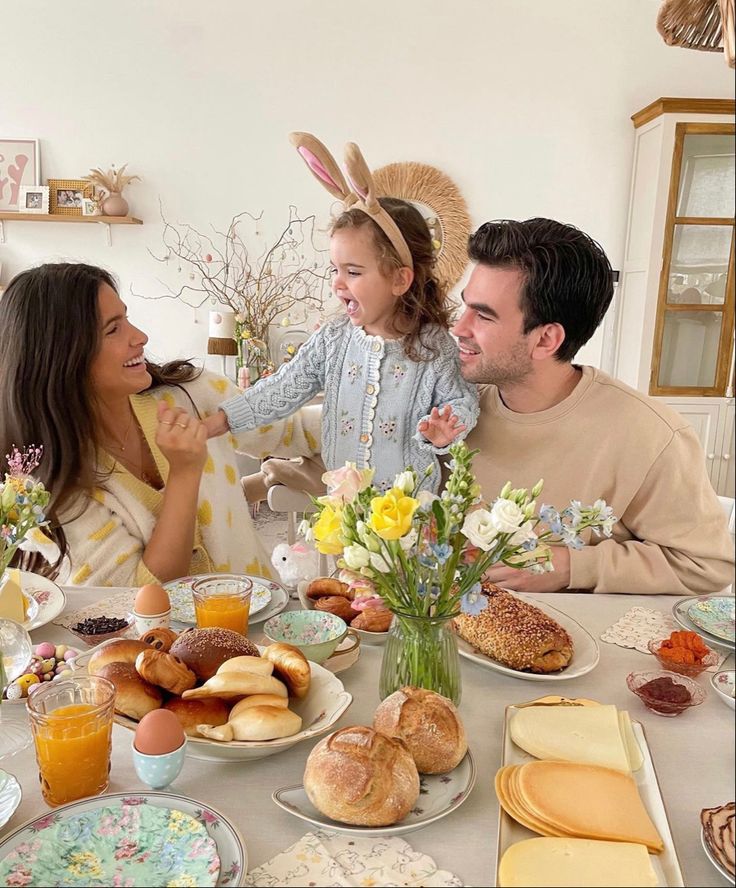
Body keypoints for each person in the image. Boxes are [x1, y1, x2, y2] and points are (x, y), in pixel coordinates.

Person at [453, 217, 734, 596]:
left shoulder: (652, 436)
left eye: (483, 315)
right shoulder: (450, 406)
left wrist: (571, 566)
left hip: (572, 647)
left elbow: (706, 566)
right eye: (465, 306)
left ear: (546, 339)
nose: (459, 327)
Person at [0, 263, 321, 587]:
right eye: (113, 329)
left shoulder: (196, 395)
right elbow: (138, 600)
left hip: (259, 626)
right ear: (61, 358)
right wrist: (184, 473)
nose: (140, 337)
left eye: (126, 318)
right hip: (157, 639)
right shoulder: (57, 489)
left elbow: (297, 431)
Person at [205, 134, 479, 492]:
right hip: (344, 508)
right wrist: (221, 419)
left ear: (399, 278)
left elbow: (464, 400)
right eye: (334, 269)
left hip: (410, 514)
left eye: (353, 271)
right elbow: (283, 388)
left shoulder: (434, 347)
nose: (337, 283)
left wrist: (446, 429)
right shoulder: (333, 340)